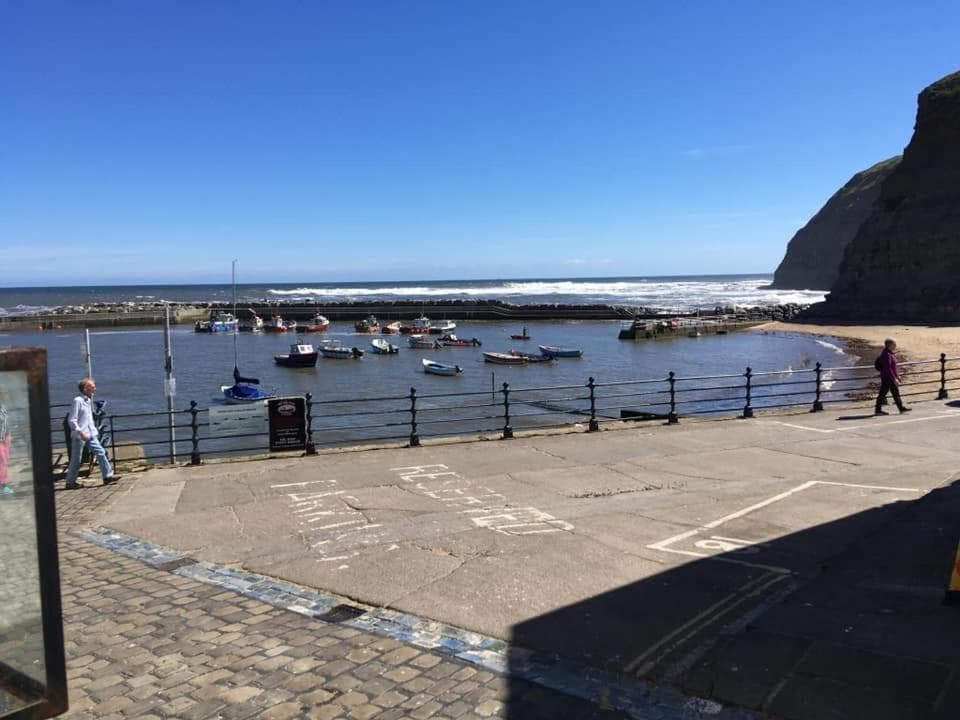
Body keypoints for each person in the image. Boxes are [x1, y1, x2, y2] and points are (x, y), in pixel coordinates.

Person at [65, 378, 118, 489]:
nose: (95, 388)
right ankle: (70, 482)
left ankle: (107, 476)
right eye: (92, 386)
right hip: (80, 436)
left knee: (101, 452)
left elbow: (88, 419)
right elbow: (72, 419)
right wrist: (80, 432)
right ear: (85, 388)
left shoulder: (88, 400)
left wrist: (93, 431)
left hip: (90, 434)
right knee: (76, 459)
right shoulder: (78, 401)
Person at [874, 338, 911, 416]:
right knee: (883, 393)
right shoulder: (886, 354)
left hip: (890, 377)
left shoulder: (889, 353)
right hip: (887, 378)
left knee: (895, 393)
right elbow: (888, 368)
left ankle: (901, 408)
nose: (895, 345)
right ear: (890, 345)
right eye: (894, 344)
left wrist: (897, 376)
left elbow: (893, 367)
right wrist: (894, 378)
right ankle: (878, 410)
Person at [0, 390, 11, 496]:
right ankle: (3, 486)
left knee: (4, 462)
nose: (7, 395)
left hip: (4, 438)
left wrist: (8, 435)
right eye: (5, 393)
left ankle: (4, 484)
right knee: (2, 462)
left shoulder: (2, 406)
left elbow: (5, 422)